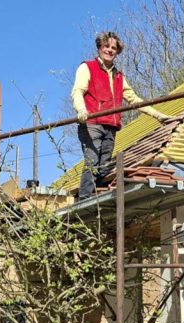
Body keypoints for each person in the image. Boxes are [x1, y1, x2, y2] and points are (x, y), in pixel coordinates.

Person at [71, 31, 171, 198]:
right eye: (106, 46)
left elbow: (134, 99)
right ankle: (84, 198)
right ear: (99, 48)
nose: (110, 50)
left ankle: (97, 196)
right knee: (92, 161)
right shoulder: (87, 67)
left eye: (113, 48)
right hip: (92, 123)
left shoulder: (118, 76)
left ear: (117, 51)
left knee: (104, 165)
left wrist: (158, 115)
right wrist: (81, 110)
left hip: (111, 126)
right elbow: (77, 92)